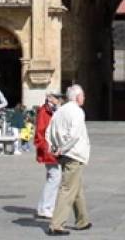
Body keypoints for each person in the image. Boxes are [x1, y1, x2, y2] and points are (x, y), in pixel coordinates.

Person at [47, 85, 91, 235]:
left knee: (76, 187)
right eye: (83, 95)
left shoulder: (60, 110)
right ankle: (57, 224)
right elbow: (75, 135)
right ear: (77, 97)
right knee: (67, 188)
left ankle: (82, 220)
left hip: (64, 154)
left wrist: (54, 147)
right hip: (74, 154)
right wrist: (63, 148)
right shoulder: (77, 112)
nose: (84, 98)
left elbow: (50, 130)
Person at [35, 92, 61, 220]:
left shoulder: (53, 110)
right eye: (57, 97)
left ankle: (43, 207)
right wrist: (45, 148)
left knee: (52, 178)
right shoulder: (44, 111)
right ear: (50, 98)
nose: (59, 99)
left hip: (53, 148)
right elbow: (40, 131)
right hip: (49, 149)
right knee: (54, 177)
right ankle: (46, 208)